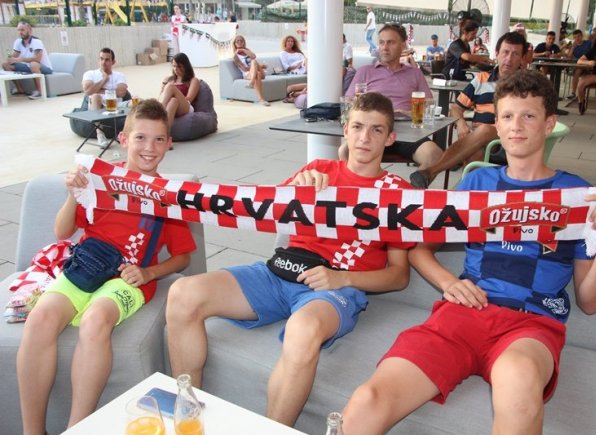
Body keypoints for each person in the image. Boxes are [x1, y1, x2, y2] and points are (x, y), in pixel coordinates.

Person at [341, 69, 596, 435]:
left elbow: (590, 302)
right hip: (462, 315)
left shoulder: (577, 196)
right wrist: (448, 283)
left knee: (518, 381)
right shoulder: (476, 184)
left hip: (530, 323)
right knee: (367, 401)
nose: (516, 126)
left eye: (529, 116)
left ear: (549, 124)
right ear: (497, 124)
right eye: (507, 116)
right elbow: (420, 249)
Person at [166, 92, 414, 428]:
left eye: (376, 130)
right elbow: (265, 213)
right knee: (183, 293)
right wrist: (295, 190)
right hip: (279, 272)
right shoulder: (319, 169)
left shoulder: (398, 193)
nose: (364, 137)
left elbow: (399, 276)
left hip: (332, 288)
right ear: (345, 130)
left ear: (390, 137)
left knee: (303, 329)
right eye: (357, 127)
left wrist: (342, 278)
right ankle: (187, 418)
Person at [16, 99, 197, 435]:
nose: (149, 147)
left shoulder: (166, 196)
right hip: (85, 265)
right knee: (40, 318)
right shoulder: (100, 179)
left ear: (169, 144)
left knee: (97, 318)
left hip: (130, 277)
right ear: (124, 139)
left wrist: (149, 273)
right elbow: (62, 231)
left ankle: (77, 427)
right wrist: (72, 194)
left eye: (158, 139)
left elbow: (183, 257)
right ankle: (32, 430)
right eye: (141, 137)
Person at [410, 31, 527, 188]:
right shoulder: (481, 79)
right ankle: (468, 193)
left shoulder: (527, 85)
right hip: (479, 141)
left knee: (485, 129)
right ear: (497, 53)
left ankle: (432, 170)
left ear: (522, 58)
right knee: (474, 152)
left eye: (515, 54)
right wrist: (461, 124)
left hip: (510, 140)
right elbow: (456, 108)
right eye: (505, 52)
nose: (509, 59)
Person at [341, 23, 442, 175]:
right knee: (344, 151)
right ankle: (359, 188)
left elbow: (428, 106)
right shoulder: (365, 72)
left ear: (403, 45)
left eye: (391, 42)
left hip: (406, 132)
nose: (385, 47)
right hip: (372, 131)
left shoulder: (414, 73)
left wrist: (408, 113)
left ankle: (410, 189)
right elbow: (348, 104)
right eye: (381, 42)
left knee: (435, 155)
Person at [81, 47, 130, 145]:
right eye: (101, 59)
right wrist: (105, 79)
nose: (103, 62)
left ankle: (128, 131)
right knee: (96, 96)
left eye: (107, 60)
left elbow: (122, 92)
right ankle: (100, 134)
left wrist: (100, 89)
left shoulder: (119, 75)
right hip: (96, 106)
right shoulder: (90, 74)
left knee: (138, 101)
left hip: (116, 106)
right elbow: (88, 91)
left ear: (113, 62)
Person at [1, 21, 52, 99]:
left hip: (44, 67)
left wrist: (20, 59)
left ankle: (40, 91)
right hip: (28, 66)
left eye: (22, 30)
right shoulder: (18, 42)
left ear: (29, 30)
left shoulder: (36, 41)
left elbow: (37, 59)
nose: (20, 32)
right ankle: (20, 89)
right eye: (18, 30)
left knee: (33, 64)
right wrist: (10, 59)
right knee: (5, 64)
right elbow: (14, 56)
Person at [159, 52, 200, 127]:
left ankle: (157, 112)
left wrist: (174, 93)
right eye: (174, 66)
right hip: (170, 104)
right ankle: (165, 131)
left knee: (170, 87)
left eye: (179, 66)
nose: (176, 69)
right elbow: (161, 97)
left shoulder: (193, 80)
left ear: (185, 66)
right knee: (173, 101)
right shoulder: (169, 79)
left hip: (185, 106)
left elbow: (189, 99)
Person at [232, 35, 270, 106]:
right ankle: (262, 99)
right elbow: (244, 69)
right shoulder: (235, 56)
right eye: (237, 41)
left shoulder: (247, 51)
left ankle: (252, 82)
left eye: (241, 41)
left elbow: (253, 56)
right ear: (234, 44)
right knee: (257, 73)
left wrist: (243, 50)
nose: (239, 42)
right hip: (247, 74)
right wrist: (255, 67)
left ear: (244, 42)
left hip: (259, 73)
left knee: (254, 61)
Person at [564, 29, 593, 101]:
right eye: (575, 37)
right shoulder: (574, 46)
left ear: (582, 36)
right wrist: (573, 47)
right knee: (577, 70)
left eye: (578, 36)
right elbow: (569, 57)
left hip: (588, 64)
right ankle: (574, 93)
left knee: (577, 71)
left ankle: (575, 93)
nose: (577, 38)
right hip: (578, 65)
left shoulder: (588, 43)